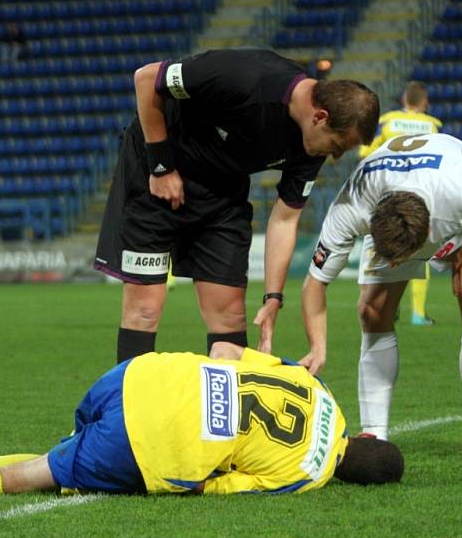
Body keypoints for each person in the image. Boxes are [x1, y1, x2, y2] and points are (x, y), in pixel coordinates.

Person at [0, 343, 404, 498]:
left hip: (139, 376)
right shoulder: (306, 476)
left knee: (58, 449)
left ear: (366, 436)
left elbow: (227, 354)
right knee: (29, 475)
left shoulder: (315, 386)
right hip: (149, 445)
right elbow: (220, 487)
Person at [95, 48, 379, 364]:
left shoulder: (310, 148)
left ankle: (225, 412)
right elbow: (146, 78)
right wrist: (161, 165)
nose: (335, 156)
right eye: (337, 146)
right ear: (320, 117)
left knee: (230, 316)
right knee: (145, 310)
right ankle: (129, 406)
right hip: (157, 176)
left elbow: (285, 219)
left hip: (223, 189)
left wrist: (273, 298)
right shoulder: (244, 76)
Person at [299, 132, 462, 475]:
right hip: (398, 210)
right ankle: (375, 434)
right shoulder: (353, 204)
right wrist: (318, 346)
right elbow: (315, 282)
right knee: (371, 310)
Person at [359, 81, 442, 326]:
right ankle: (417, 313)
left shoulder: (387, 121)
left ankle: (378, 304)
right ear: (424, 102)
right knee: (418, 252)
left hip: (387, 195)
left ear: (404, 100)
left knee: (381, 249)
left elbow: (365, 154)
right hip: (419, 197)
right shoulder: (433, 125)